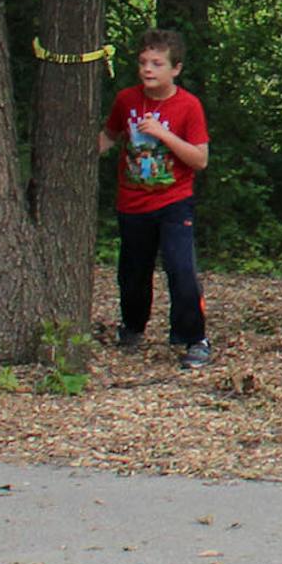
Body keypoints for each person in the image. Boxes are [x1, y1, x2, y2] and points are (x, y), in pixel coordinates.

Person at [99, 28, 212, 369]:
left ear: (175, 69)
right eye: (143, 62)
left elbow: (200, 158)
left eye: (157, 63)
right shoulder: (126, 100)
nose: (148, 69)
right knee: (132, 272)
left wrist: (164, 134)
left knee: (181, 269)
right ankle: (132, 328)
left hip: (174, 200)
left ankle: (194, 338)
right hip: (132, 201)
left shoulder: (188, 106)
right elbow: (110, 134)